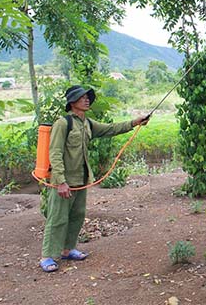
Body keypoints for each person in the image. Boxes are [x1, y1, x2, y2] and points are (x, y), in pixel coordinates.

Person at [39, 85, 149, 272]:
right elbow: (55, 153)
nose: (87, 100)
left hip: (81, 180)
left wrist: (135, 122)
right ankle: (47, 256)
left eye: (88, 97)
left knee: (77, 216)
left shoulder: (87, 123)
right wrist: (60, 181)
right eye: (82, 97)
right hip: (64, 180)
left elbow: (111, 128)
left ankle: (67, 249)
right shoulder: (63, 123)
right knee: (57, 218)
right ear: (72, 102)